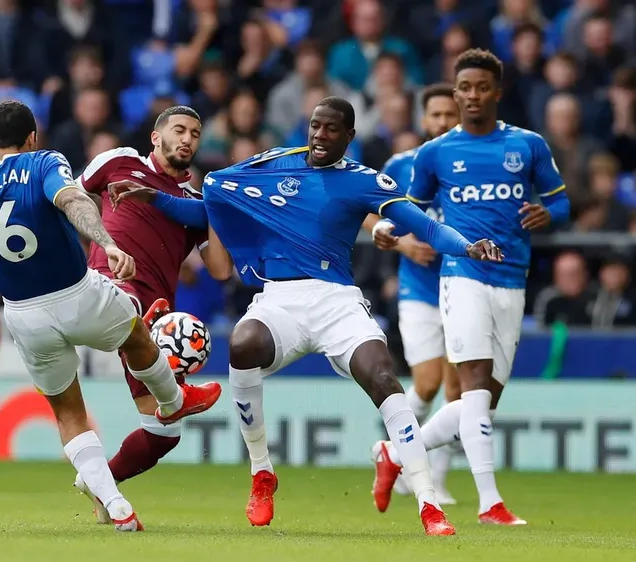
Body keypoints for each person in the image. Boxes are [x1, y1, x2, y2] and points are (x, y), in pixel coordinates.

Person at [112, 96, 504, 535]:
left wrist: (466, 245)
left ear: (349, 137)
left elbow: (423, 225)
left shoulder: (361, 180)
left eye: (331, 129)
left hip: (337, 302)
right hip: (280, 299)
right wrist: (156, 199)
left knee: (382, 376)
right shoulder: (275, 166)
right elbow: (208, 210)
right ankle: (262, 472)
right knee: (242, 345)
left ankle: (430, 506)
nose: (320, 135)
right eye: (315, 126)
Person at [0, 99, 223, 531]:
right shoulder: (44, 162)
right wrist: (108, 243)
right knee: (136, 331)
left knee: (69, 413)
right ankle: (173, 399)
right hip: (79, 295)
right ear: (32, 138)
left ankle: (117, 506)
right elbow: (73, 199)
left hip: (24, 316)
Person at [369, 49, 571, 526]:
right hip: (461, 279)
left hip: (512, 282)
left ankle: (395, 454)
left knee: (481, 403)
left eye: (483, 87)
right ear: (456, 92)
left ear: (496, 92)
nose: (473, 96)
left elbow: (562, 204)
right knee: (473, 387)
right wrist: (386, 230)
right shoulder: (435, 153)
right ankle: (490, 503)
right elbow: (410, 208)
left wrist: (548, 215)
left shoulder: (529, 145)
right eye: (465, 88)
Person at [72, 105, 231, 523]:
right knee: (129, 302)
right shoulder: (119, 161)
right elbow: (70, 199)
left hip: (153, 321)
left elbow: (220, 270)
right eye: (179, 130)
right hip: (110, 286)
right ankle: (147, 317)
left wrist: (216, 207)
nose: (188, 139)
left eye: (196, 134)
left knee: (165, 432)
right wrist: (92, 245)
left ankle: (102, 483)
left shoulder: (195, 204)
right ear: (156, 137)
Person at [361, 83, 463, 504]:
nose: (441, 122)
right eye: (435, 115)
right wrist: (401, 242)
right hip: (418, 289)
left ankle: (431, 478)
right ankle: (400, 456)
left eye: (449, 115)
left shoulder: (469, 167)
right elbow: (368, 213)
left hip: (462, 286)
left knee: (458, 389)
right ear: (424, 120)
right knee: (427, 382)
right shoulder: (402, 165)